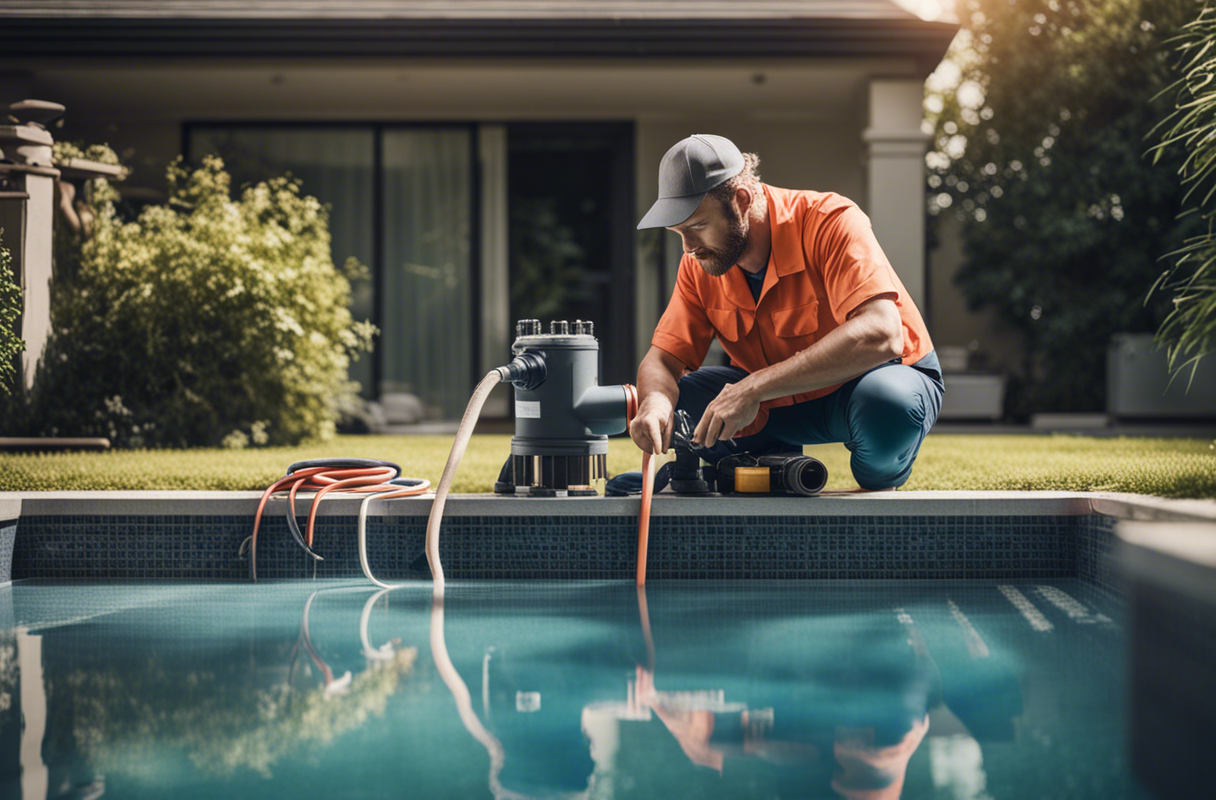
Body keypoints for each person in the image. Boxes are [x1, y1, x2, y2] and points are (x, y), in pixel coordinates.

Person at [626, 134, 943, 491]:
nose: (688, 248)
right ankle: (771, 463)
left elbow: (881, 334)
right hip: (773, 401)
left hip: (871, 385)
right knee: (675, 399)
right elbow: (663, 360)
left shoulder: (830, 220)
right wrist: (654, 404)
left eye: (697, 226)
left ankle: (882, 474)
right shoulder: (701, 262)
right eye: (677, 232)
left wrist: (754, 387)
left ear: (741, 199)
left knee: (889, 406)